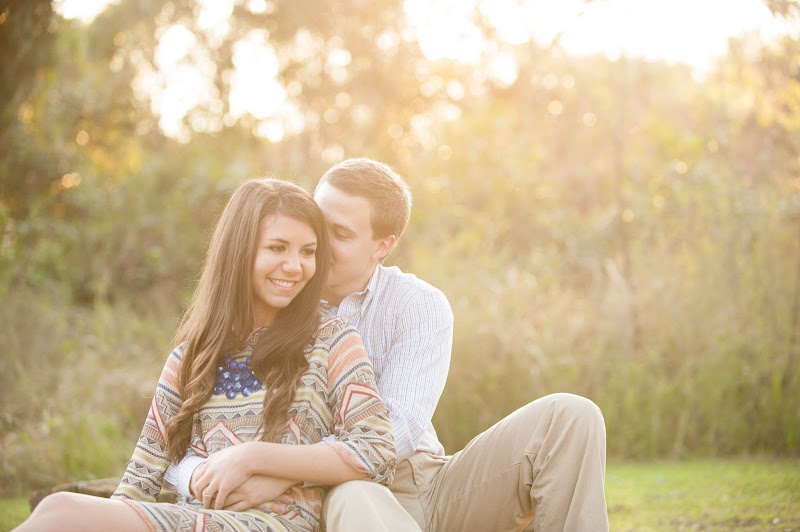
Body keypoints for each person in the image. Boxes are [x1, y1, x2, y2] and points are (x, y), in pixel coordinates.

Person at [174, 159, 609, 531]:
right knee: (355, 494)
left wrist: (276, 470)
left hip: (420, 485)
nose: (317, 246)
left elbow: (394, 434)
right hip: (332, 498)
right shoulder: (270, 298)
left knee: (571, 416)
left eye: (339, 235)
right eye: (316, 226)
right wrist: (225, 476)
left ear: (383, 245)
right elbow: (174, 441)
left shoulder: (417, 306)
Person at [14, 178, 395, 532]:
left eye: (308, 252)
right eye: (277, 248)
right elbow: (141, 479)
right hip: (195, 518)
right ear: (239, 251)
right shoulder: (191, 356)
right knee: (58, 512)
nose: (295, 266)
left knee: (60, 510)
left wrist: (253, 456)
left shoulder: (331, 339)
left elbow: (376, 448)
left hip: (275, 525)